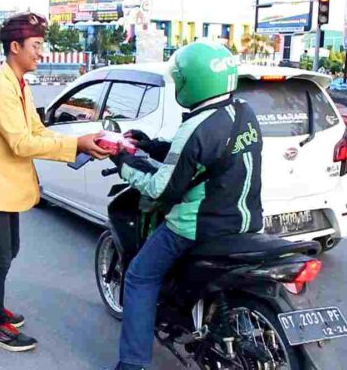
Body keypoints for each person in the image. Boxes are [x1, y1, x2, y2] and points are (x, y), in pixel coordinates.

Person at [109, 41, 263, 370]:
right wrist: (150, 145)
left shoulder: (197, 125)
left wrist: (123, 162)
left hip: (196, 227)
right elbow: (201, 159)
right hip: (246, 221)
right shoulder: (244, 111)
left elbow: (162, 187)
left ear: (191, 81)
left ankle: (132, 364)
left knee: (138, 277)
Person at [0, 12, 111, 351]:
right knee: (0, 257)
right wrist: (75, 144)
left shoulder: (18, 83)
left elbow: (37, 132)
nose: (41, 53)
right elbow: (21, 142)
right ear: (15, 47)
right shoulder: (0, 88)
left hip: (3, 185)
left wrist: (81, 141)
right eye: (36, 45)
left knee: (9, 250)